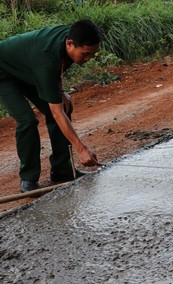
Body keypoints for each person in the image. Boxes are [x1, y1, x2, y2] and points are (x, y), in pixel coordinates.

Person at [0, 19, 105, 193]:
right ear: (70, 44)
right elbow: (56, 113)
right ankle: (28, 179)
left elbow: (59, 66)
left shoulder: (71, 37)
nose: (87, 59)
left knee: (64, 106)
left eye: (92, 54)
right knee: (27, 120)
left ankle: (62, 170)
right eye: (85, 54)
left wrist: (61, 91)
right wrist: (82, 149)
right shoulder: (47, 58)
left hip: (29, 68)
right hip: (4, 72)